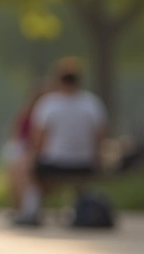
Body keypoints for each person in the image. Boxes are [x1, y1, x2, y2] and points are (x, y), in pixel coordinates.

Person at [12, 58, 108, 227]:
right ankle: (78, 206)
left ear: (57, 80)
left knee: (22, 166)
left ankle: (30, 211)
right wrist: (96, 157)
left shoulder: (48, 104)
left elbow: (39, 139)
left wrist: (34, 157)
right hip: (85, 162)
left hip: (55, 162)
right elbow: (100, 136)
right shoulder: (92, 103)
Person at [2, 82, 48, 212]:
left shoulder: (47, 115)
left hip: (37, 152)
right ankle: (20, 205)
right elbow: (18, 137)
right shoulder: (28, 115)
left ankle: (27, 207)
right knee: (18, 168)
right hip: (24, 149)